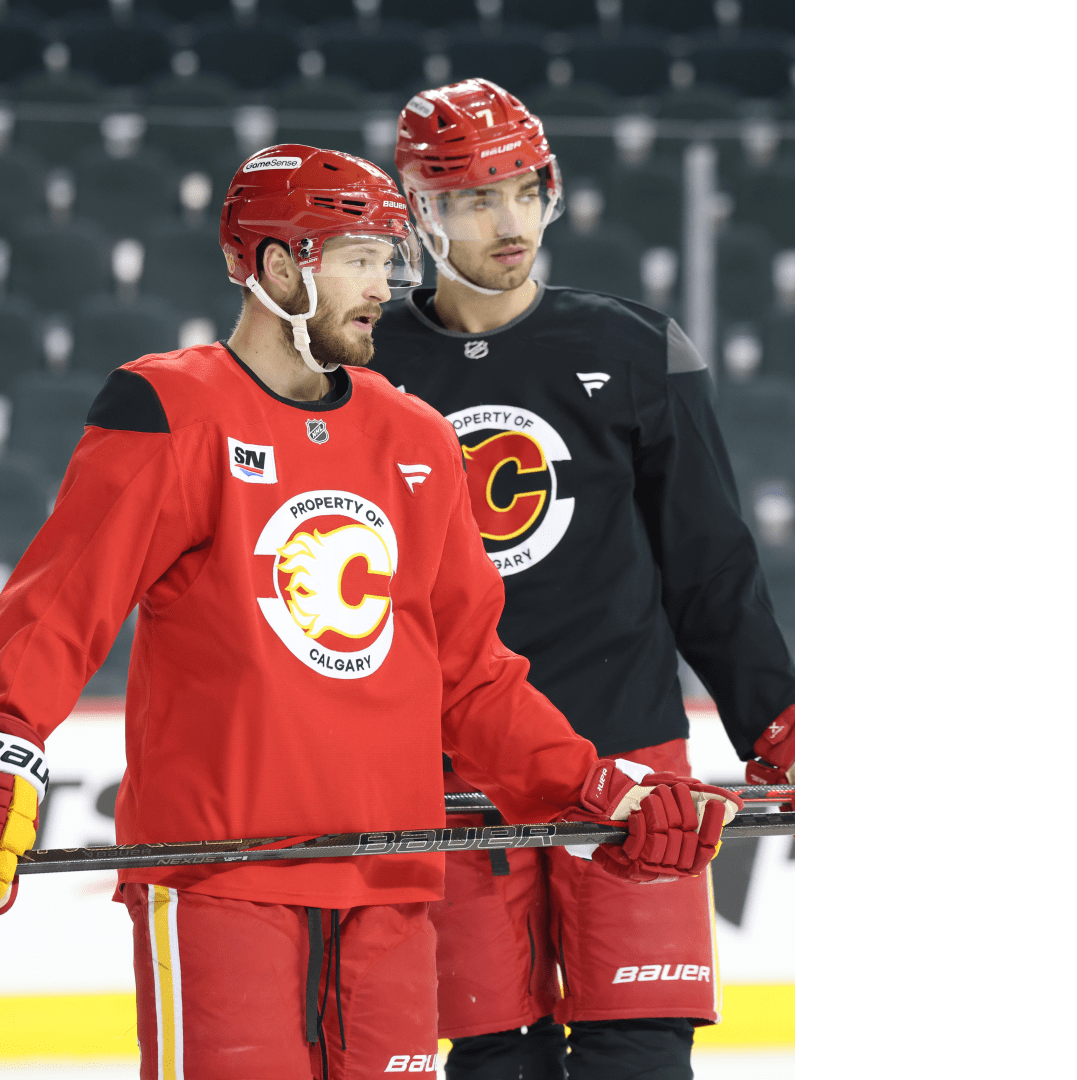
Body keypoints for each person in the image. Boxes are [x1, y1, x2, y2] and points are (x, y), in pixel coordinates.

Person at [0, 143, 745, 1080]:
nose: (382, 287)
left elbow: (471, 675)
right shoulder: (175, 409)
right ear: (277, 267)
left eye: (388, 259)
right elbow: (62, 604)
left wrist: (591, 786)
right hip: (224, 879)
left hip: (390, 885)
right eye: (358, 259)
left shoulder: (415, 435)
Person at [371, 80, 798, 1080]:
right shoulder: (361, 362)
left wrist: (775, 720)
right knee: (493, 1060)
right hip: (450, 771)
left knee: (638, 1054)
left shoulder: (635, 346)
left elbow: (708, 560)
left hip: (631, 758)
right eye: (476, 198)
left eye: (525, 191)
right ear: (420, 211)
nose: (509, 223)